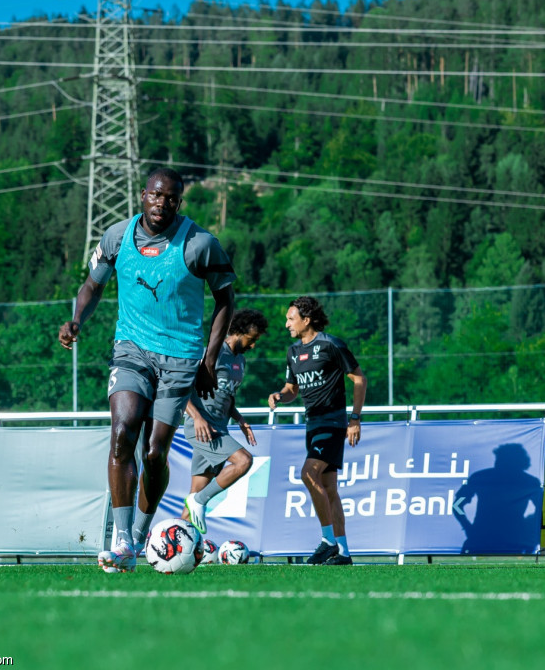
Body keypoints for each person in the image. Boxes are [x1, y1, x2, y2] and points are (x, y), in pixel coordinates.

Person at [58, 167, 235, 573]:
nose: (162, 203)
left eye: (171, 198)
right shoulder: (117, 237)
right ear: (143, 195)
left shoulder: (200, 244)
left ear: (179, 202)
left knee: (154, 453)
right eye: (156, 195)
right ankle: (121, 541)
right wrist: (77, 320)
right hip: (131, 351)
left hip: (180, 359)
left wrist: (208, 360)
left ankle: (139, 536)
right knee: (123, 433)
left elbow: (226, 300)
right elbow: (92, 285)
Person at [267, 296, 367, 565]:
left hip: (332, 424)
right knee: (329, 489)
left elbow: (359, 379)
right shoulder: (292, 352)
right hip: (312, 424)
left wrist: (355, 419)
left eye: (291, 319)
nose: (286, 324)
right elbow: (292, 390)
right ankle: (343, 552)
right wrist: (280, 395)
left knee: (308, 474)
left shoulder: (331, 345)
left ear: (306, 320)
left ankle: (328, 541)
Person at [182, 308, 269, 535]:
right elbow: (180, 389)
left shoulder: (240, 360)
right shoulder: (212, 353)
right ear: (238, 332)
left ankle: (172, 543)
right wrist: (197, 418)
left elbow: (227, 396)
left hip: (219, 427)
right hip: (202, 428)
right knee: (243, 461)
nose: (253, 345)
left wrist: (239, 419)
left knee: (191, 504)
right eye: (251, 339)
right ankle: (200, 501)